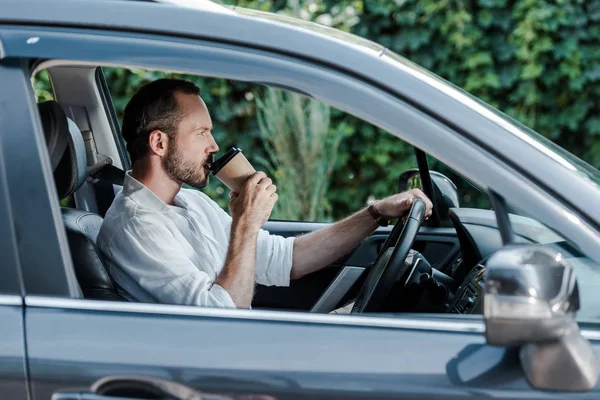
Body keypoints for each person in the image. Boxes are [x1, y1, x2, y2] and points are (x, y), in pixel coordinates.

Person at [97, 78, 433, 310]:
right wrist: (245, 223)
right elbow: (219, 320)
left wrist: (374, 214)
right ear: (159, 143)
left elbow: (286, 259)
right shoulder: (136, 225)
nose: (213, 146)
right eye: (201, 133)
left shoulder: (191, 202)